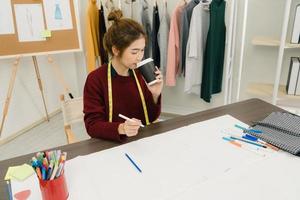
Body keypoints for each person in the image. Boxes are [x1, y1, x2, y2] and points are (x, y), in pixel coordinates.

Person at [83, 10, 163, 142]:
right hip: (111, 144)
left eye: (142, 50)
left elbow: (150, 118)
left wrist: (155, 95)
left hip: (140, 142)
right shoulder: (96, 79)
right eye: (134, 52)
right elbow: (92, 126)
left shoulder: (139, 73)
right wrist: (121, 128)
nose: (140, 57)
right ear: (116, 50)